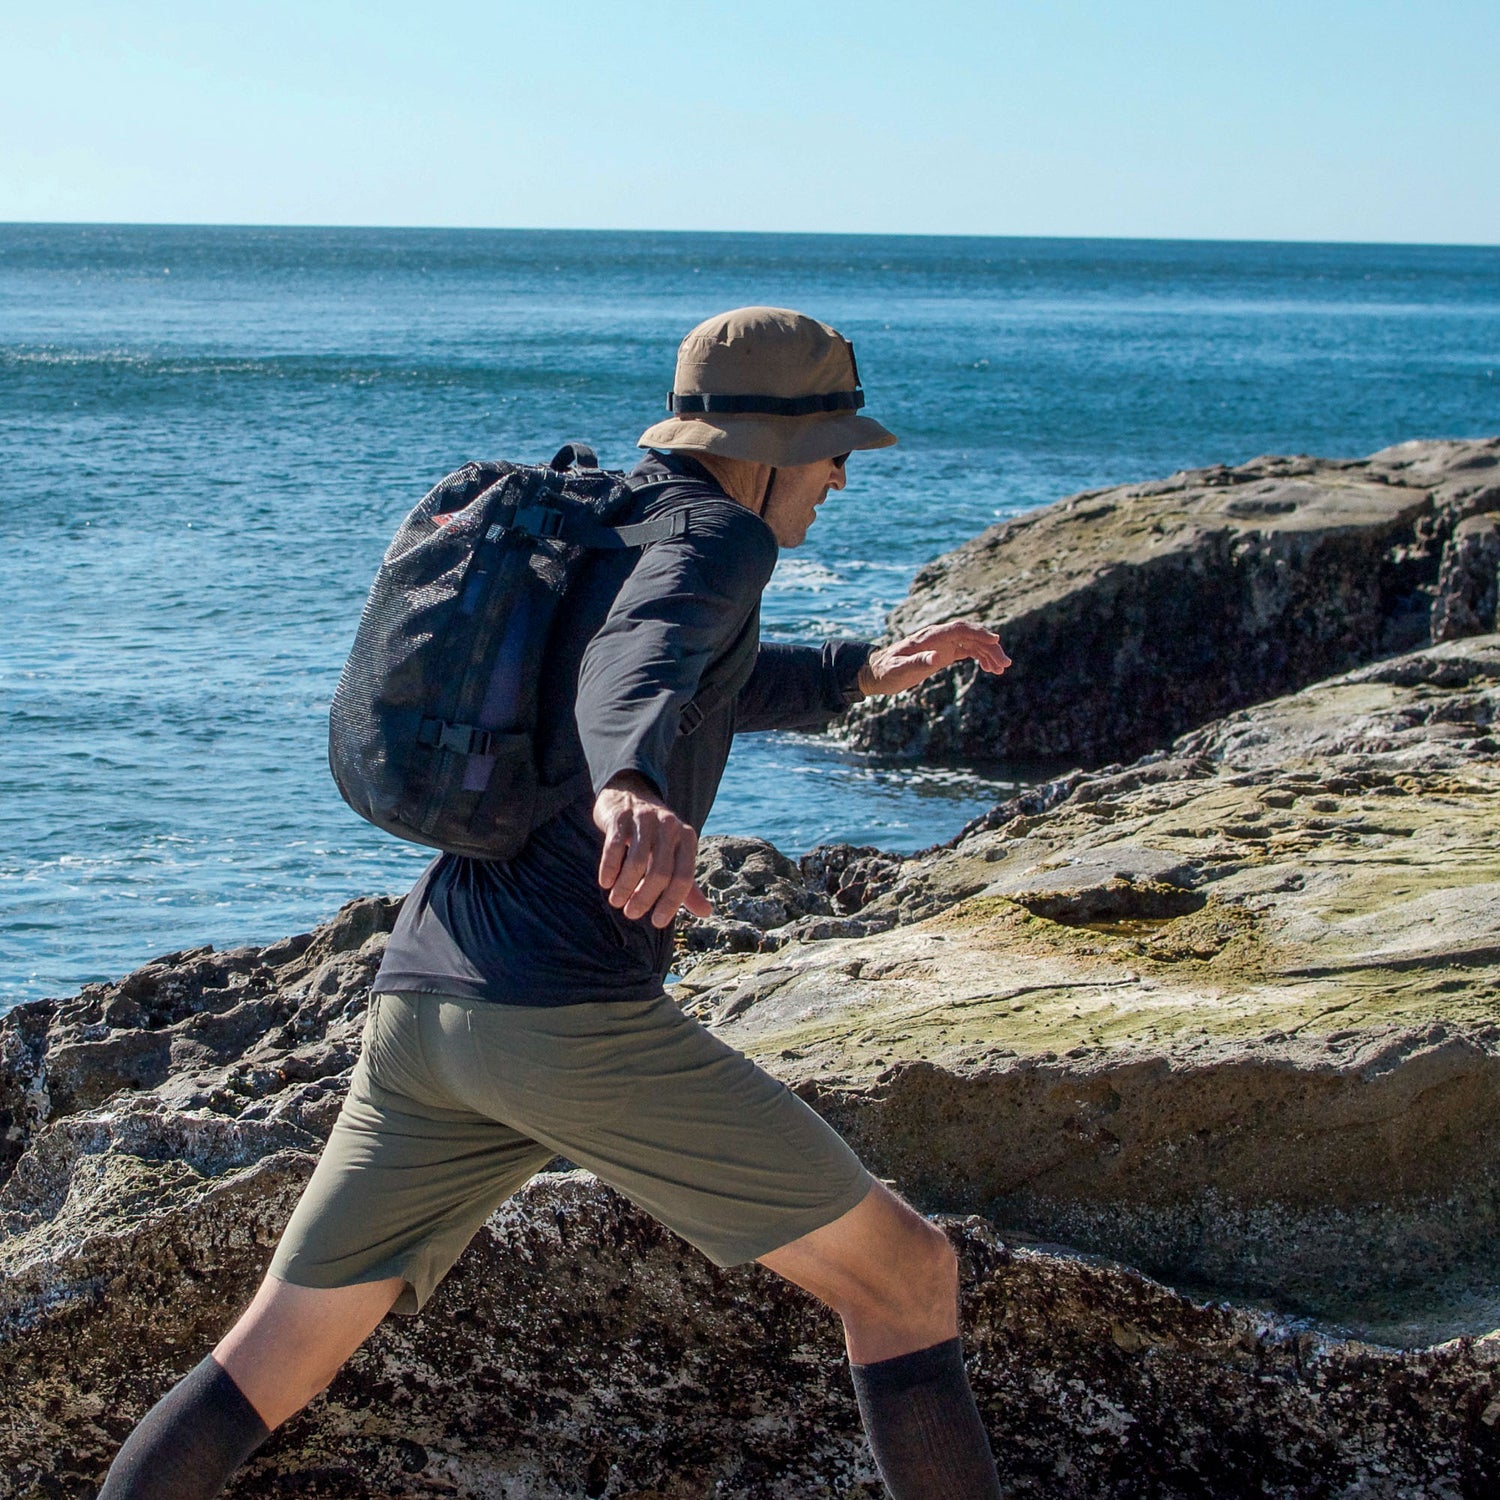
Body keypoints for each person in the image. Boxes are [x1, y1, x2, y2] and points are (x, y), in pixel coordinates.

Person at [98, 307, 1013, 1499]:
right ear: (766, 447)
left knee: (268, 1359)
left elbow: (690, 667)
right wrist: (628, 783)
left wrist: (864, 672)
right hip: (559, 1018)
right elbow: (636, 669)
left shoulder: (612, 524)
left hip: (427, 1005)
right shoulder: (722, 542)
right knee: (906, 1279)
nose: (844, 471)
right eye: (835, 443)